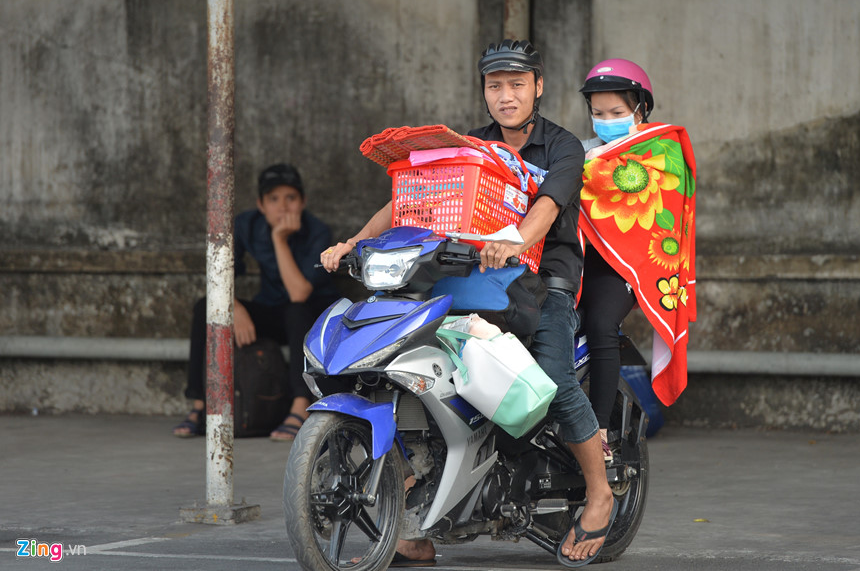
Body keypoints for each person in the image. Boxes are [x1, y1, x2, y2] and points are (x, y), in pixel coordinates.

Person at [322, 40, 616, 567]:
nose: (506, 96)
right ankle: (412, 496)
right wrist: (353, 243)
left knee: (551, 377)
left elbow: (548, 206)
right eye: (496, 86)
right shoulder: (469, 147)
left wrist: (518, 241)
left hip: (544, 282)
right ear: (484, 91)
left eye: (517, 85)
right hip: (469, 282)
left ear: (538, 87)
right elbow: (408, 200)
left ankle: (599, 493)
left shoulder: (563, 147)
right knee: (402, 365)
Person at [576, 58, 697, 453]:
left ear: (640, 110)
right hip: (577, 260)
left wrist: (584, 174)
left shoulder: (663, 152)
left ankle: (599, 433)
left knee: (600, 325)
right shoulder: (579, 150)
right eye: (598, 113)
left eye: (617, 112)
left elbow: (659, 206)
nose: (605, 120)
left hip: (627, 266)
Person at [173, 163, 340, 441]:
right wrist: (233, 306)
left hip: (310, 319)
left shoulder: (318, 231)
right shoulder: (247, 225)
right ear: (261, 205)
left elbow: (299, 293)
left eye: (291, 198)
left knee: (296, 310)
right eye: (273, 199)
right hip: (271, 310)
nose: (282, 207)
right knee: (206, 305)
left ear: (303, 202)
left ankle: (299, 407)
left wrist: (279, 239)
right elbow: (220, 273)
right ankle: (199, 406)